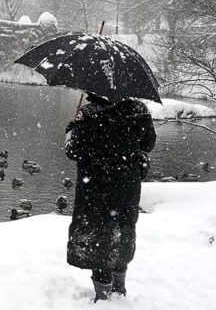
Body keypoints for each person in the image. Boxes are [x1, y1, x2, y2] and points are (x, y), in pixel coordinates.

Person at [64, 92, 156, 302]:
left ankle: (104, 295)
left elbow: (74, 151)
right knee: (121, 230)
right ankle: (119, 289)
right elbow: (148, 144)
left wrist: (70, 131)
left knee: (98, 234)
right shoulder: (138, 110)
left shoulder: (88, 114)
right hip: (127, 185)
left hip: (95, 185)